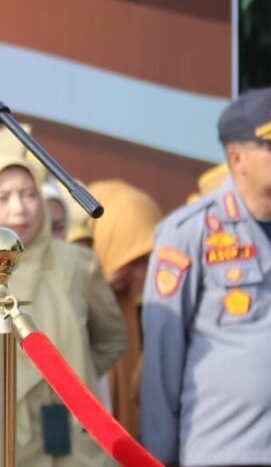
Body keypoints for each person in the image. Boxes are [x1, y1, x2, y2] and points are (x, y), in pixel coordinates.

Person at [140, 87, 271, 467]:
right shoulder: (188, 232)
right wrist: (156, 458)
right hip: (220, 451)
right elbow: (162, 360)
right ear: (237, 158)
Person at [0, 151, 127, 467]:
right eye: (3, 197)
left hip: (73, 444)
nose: (19, 208)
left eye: (28, 194)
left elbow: (111, 340)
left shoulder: (78, 265)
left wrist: (68, 379)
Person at [88, 180, 162, 437]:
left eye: (149, 261)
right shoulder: (69, 306)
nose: (142, 275)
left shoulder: (144, 315)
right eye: (132, 258)